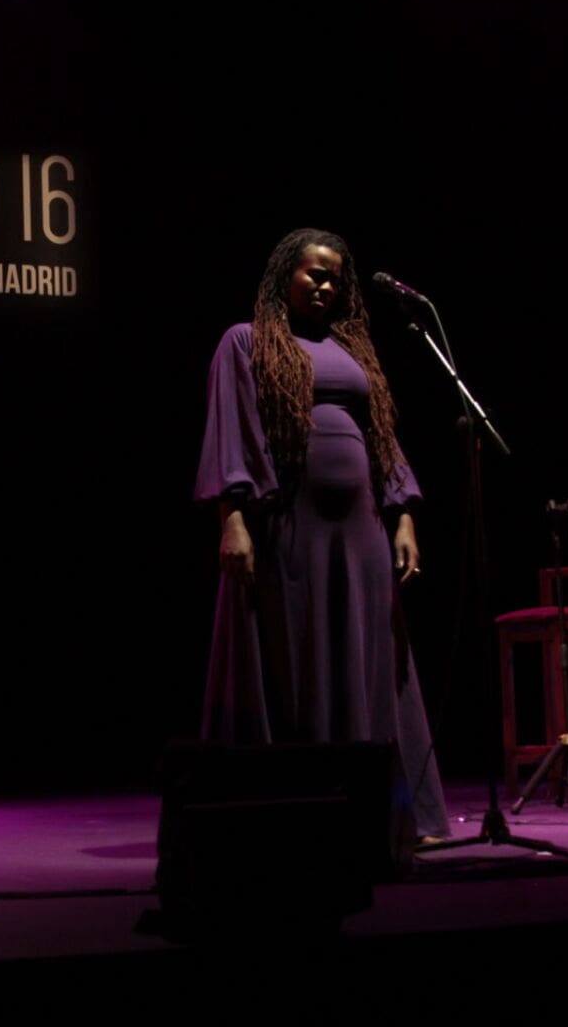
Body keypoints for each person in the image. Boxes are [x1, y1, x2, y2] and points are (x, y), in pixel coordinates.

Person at [195, 228, 450, 842]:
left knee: (371, 658)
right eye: (314, 273)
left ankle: (388, 814)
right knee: (296, 660)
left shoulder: (352, 348)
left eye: (335, 277)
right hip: (288, 525)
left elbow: (382, 435)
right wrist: (233, 519)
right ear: (285, 274)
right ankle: (295, 812)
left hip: (359, 531)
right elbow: (231, 430)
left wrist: (404, 514)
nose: (325, 285)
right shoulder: (246, 340)